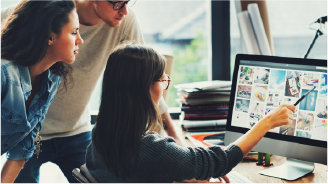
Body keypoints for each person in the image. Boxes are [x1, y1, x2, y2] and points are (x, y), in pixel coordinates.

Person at [0, 0, 182, 183]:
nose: (124, 10)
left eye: (127, 2)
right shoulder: (43, 12)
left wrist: (177, 146)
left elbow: (146, 81)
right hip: (28, 135)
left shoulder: (51, 81)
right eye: (117, 2)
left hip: (73, 130)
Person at [85, 43, 296, 184]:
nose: (164, 87)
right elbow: (218, 161)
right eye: (162, 80)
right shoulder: (150, 148)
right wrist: (266, 123)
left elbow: (139, 172)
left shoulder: (100, 134)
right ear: (144, 88)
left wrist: (182, 174)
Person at [0, 0, 83, 183]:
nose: (80, 40)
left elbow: (25, 144)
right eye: (73, 32)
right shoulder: (2, 73)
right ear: (49, 36)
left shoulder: (51, 79)